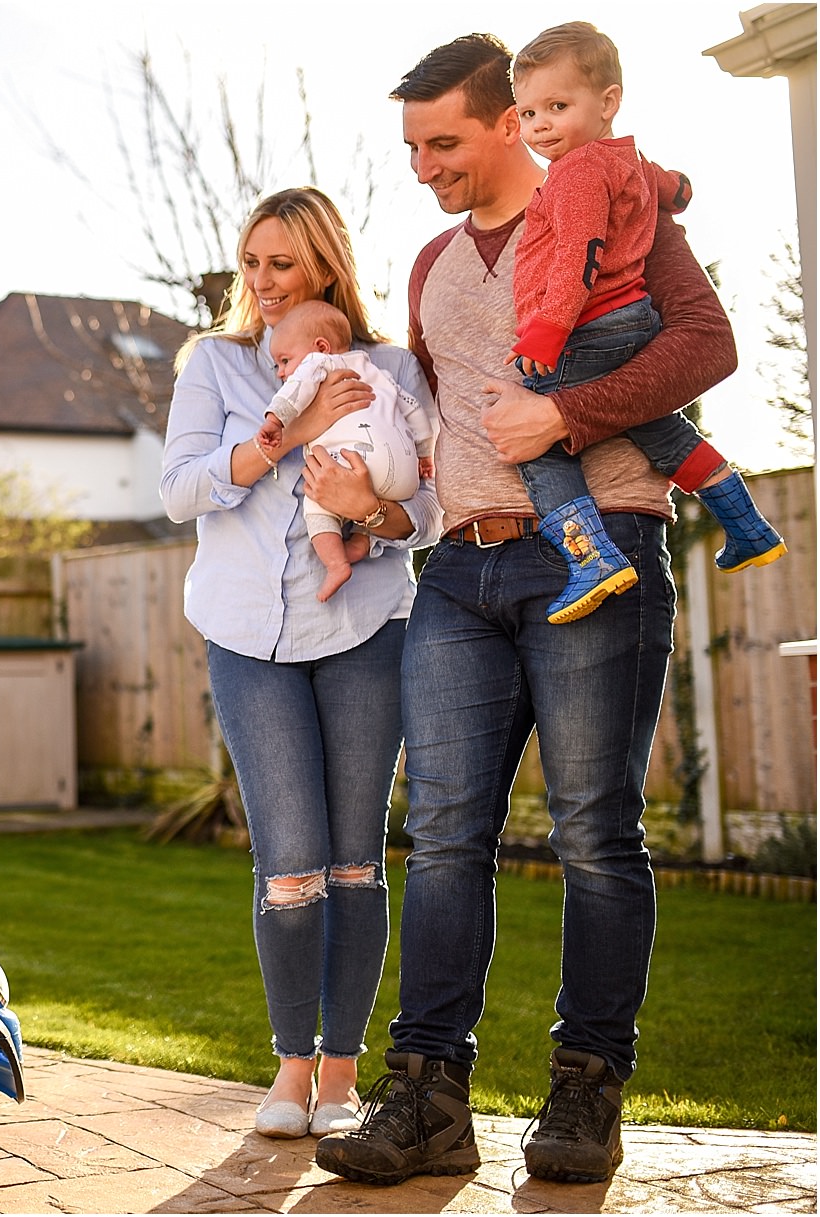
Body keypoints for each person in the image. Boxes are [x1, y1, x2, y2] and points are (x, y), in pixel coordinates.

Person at [314, 34, 738, 1187]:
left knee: (595, 833)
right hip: (458, 569)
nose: (422, 167)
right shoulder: (429, 262)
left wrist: (565, 418)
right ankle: (423, 1094)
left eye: (441, 142)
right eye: (410, 147)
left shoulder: (619, 210)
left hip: (590, 554)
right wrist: (377, 505)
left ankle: (585, 1087)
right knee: (444, 834)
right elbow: (450, 424)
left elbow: (706, 346)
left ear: (511, 120)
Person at [160, 187, 442, 1141]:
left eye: (281, 264)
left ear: (323, 265)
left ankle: (341, 1079)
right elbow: (181, 488)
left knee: (356, 861)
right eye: (251, 263)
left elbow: (434, 507)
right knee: (290, 863)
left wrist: (366, 506)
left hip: (365, 626)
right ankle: (289, 1070)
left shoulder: (391, 364)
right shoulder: (217, 363)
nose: (263, 284)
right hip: (246, 636)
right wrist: (286, 435)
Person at [501, 21, 783, 624]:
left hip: (586, 326)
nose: (540, 125)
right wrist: (676, 191)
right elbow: (665, 185)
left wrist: (548, 329)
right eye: (527, 114)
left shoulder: (575, 172)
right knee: (661, 431)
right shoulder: (622, 157)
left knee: (539, 446)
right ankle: (747, 526)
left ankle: (592, 561)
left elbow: (580, 253)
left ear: (608, 102)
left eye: (557, 106)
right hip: (633, 324)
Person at [259, 299, 437, 602]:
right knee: (370, 497)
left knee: (318, 501)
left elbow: (295, 389)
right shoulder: (379, 372)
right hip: (405, 479)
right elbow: (413, 408)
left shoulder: (319, 364)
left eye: (285, 361)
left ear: (321, 347)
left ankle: (336, 563)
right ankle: (362, 542)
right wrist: (422, 453)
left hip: (355, 461)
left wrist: (276, 419)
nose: (280, 372)